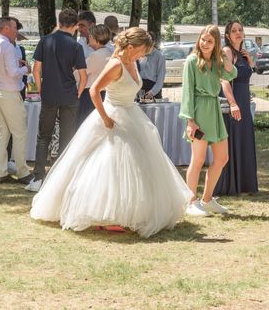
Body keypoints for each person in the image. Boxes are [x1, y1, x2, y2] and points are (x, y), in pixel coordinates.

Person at [30, 27, 192, 237]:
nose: (144, 55)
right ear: (131, 47)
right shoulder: (115, 65)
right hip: (112, 115)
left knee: (137, 164)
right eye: (142, 50)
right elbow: (95, 90)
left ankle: (132, 209)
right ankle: (103, 214)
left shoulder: (132, 62)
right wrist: (106, 118)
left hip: (131, 114)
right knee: (110, 163)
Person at [180, 24, 237, 216]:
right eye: (203, 39)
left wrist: (223, 56)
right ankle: (191, 202)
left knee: (222, 158)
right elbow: (187, 91)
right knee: (198, 159)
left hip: (214, 110)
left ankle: (207, 199)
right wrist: (190, 121)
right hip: (198, 111)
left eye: (210, 41)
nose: (204, 43)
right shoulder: (191, 61)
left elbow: (232, 73)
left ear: (216, 44)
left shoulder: (217, 61)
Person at [27, 9, 87, 192]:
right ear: (76, 25)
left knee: (43, 135)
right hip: (69, 94)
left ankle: (38, 177)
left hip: (49, 94)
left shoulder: (46, 41)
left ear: (58, 22)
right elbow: (83, 76)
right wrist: (78, 92)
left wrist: (40, 88)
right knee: (67, 137)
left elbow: (35, 70)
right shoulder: (76, 46)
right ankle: (62, 179)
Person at [0, 17, 33, 184]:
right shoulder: (7, 46)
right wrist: (26, 68)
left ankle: (0, 171)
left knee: (3, 133)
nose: (16, 31)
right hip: (9, 92)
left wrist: (17, 66)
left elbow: (1, 69)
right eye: (13, 28)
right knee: (19, 133)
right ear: (5, 29)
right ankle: (23, 172)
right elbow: (12, 72)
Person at [214, 20, 258, 196]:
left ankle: (244, 184)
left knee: (244, 139)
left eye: (240, 29)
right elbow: (224, 79)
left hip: (244, 101)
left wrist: (250, 63)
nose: (238, 32)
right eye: (234, 30)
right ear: (227, 35)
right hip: (234, 101)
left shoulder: (243, 53)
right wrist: (233, 104)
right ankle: (230, 184)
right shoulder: (226, 51)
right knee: (233, 140)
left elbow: (245, 76)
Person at [77, 24, 111, 127]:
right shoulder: (107, 53)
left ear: (96, 38)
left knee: (85, 125)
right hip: (102, 93)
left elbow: (79, 74)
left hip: (89, 95)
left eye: (90, 36)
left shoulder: (95, 55)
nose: (89, 38)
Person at [138, 31, 166, 100]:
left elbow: (160, 78)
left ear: (153, 42)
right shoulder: (139, 55)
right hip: (140, 88)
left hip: (153, 88)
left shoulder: (159, 56)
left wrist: (152, 92)